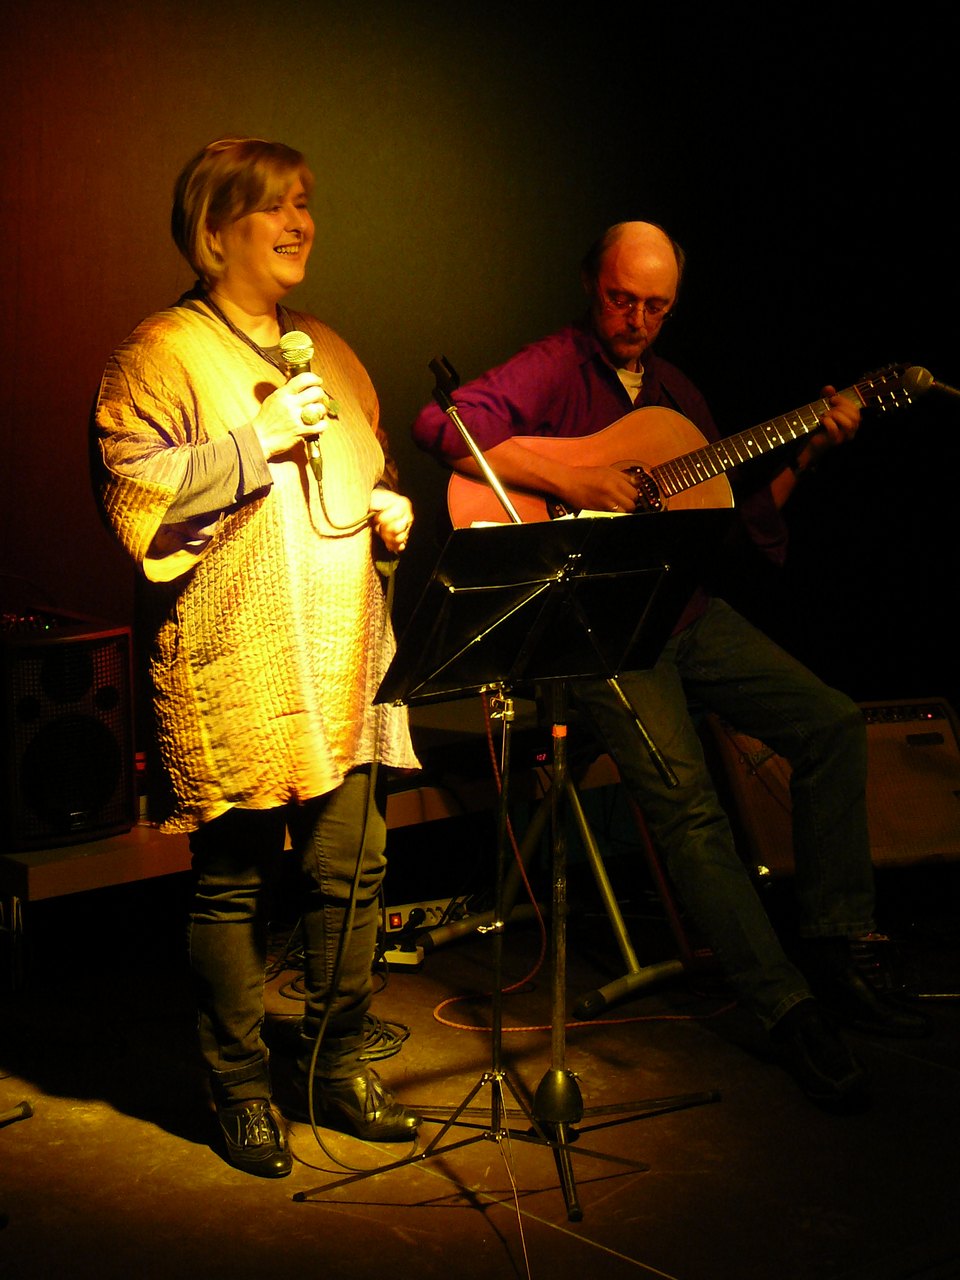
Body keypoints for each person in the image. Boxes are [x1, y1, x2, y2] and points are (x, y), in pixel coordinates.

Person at [412, 220, 928, 1110]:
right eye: (623, 299)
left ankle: (838, 948)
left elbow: (735, 521)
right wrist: (574, 483)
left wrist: (807, 453)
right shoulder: (556, 365)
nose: (638, 320)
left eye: (657, 306)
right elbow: (442, 425)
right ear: (592, 284)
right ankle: (786, 1008)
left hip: (681, 613)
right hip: (599, 631)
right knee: (687, 802)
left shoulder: (676, 395)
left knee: (832, 722)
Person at [92, 137, 422, 1177]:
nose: (299, 223)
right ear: (213, 230)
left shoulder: (328, 348)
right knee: (233, 883)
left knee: (354, 871)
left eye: (304, 203)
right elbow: (134, 499)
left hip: (344, 652)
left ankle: (333, 1062)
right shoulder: (158, 354)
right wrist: (255, 438)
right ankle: (237, 1088)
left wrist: (386, 506)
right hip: (236, 660)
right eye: (274, 206)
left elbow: (367, 462)